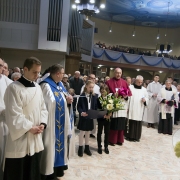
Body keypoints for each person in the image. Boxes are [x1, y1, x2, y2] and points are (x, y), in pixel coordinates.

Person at [3, 57, 48, 180]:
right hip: (20, 138)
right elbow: (13, 113)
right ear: (25, 69)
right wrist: (29, 127)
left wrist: (43, 123)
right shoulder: (13, 88)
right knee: (18, 171)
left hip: (35, 136)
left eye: (39, 72)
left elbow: (43, 108)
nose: (37, 75)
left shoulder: (38, 87)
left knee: (33, 170)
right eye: (34, 72)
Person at [40, 64, 75, 180]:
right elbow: (47, 104)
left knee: (60, 144)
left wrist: (68, 99)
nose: (64, 76)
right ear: (58, 74)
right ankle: (49, 171)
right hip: (51, 124)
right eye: (63, 73)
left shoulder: (59, 84)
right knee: (50, 146)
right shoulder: (45, 85)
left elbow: (64, 98)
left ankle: (58, 169)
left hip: (60, 124)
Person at [106, 68, 132, 146]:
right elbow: (105, 94)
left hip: (122, 106)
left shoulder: (124, 82)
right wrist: (112, 95)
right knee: (114, 123)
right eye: (117, 73)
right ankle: (112, 140)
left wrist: (125, 96)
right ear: (114, 73)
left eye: (120, 73)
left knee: (121, 122)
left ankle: (120, 140)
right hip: (112, 105)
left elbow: (129, 94)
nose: (118, 74)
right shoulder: (109, 82)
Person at [77, 80, 98, 157]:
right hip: (83, 116)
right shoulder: (82, 95)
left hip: (90, 117)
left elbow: (95, 106)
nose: (91, 89)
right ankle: (80, 147)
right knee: (82, 133)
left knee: (88, 133)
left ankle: (87, 147)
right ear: (86, 86)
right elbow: (78, 106)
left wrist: (94, 113)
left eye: (92, 87)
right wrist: (82, 112)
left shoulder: (95, 96)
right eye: (90, 87)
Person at [125, 75, 148, 142]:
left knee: (137, 122)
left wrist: (145, 100)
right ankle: (129, 136)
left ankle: (137, 137)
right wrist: (127, 107)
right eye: (138, 82)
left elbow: (147, 98)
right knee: (131, 121)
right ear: (135, 81)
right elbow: (127, 98)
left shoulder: (144, 89)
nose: (140, 83)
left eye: (141, 82)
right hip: (131, 108)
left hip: (139, 108)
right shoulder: (130, 88)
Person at [0, 58, 12, 179]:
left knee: (3, 152)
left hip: (4, 122)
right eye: (0, 66)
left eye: (3, 66)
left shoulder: (7, 81)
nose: (2, 68)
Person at [80, 74, 100, 138]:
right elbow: (82, 97)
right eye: (91, 78)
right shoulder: (84, 86)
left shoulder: (97, 87)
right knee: (83, 130)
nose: (92, 79)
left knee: (92, 122)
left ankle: (92, 133)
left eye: (94, 78)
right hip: (85, 110)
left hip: (92, 110)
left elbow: (98, 98)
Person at [97, 85, 111, 154]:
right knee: (99, 132)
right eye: (102, 90)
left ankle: (106, 146)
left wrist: (110, 114)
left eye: (104, 90)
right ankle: (99, 146)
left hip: (108, 118)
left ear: (107, 91)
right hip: (100, 118)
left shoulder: (110, 99)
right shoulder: (98, 99)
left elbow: (112, 107)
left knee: (107, 133)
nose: (103, 92)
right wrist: (103, 115)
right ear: (100, 91)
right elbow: (97, 109)